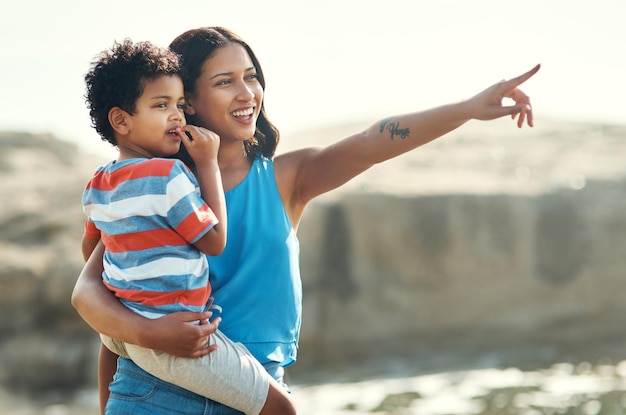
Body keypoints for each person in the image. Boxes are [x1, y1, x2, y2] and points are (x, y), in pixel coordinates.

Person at [72, 26, 540, 414]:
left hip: (257, 395)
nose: (247, 93)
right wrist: (143, 344)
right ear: (186, 101)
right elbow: (99, 303)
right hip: (155, 395)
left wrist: (469, 108)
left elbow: (373, 142)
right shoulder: (154, 189)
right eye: (224, 81)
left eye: (251, 76)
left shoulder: (286, 178)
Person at [79, 38, 295, 415]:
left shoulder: (98, 183)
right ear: (120, 120)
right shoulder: (170, 174)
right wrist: (207, 165)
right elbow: (214, 241)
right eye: (162, 106)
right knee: (283, 409)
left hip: (125, 333)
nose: (177, 116)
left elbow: (91, 253)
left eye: (179, 105)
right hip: (181, 336)